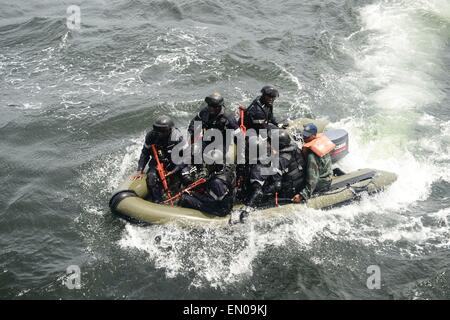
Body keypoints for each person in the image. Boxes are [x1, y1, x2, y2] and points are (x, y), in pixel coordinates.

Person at [132, 115, 185, 203]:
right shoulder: (151, 136)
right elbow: (145, 153)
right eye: (158, 131)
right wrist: (140, 170)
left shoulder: (177, 137)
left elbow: (185, 157)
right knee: (151, 177)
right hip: (158, 162)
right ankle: (158, 201)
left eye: (163, 131)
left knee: (185, 176)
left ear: (169, 130)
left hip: (175, 162)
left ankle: (182, 196)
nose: (160, 133)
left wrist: (175, 170)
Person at [178, 149, 236, 216]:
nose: (206, 164)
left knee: (185, 198)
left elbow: (210, 202)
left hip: (220, 210)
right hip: (227, 202)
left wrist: (193, 194)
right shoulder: (226, 169)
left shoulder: (216, 182)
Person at [292, 123, 334, 203]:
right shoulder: (320, 145)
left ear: (314, 136)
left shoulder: (312, 156)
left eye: (307, 136)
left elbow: (313, 179)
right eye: (304, 135)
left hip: (322, 183)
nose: (305, 138)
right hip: (327, 176)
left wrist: (302, 195)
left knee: (296, 184)